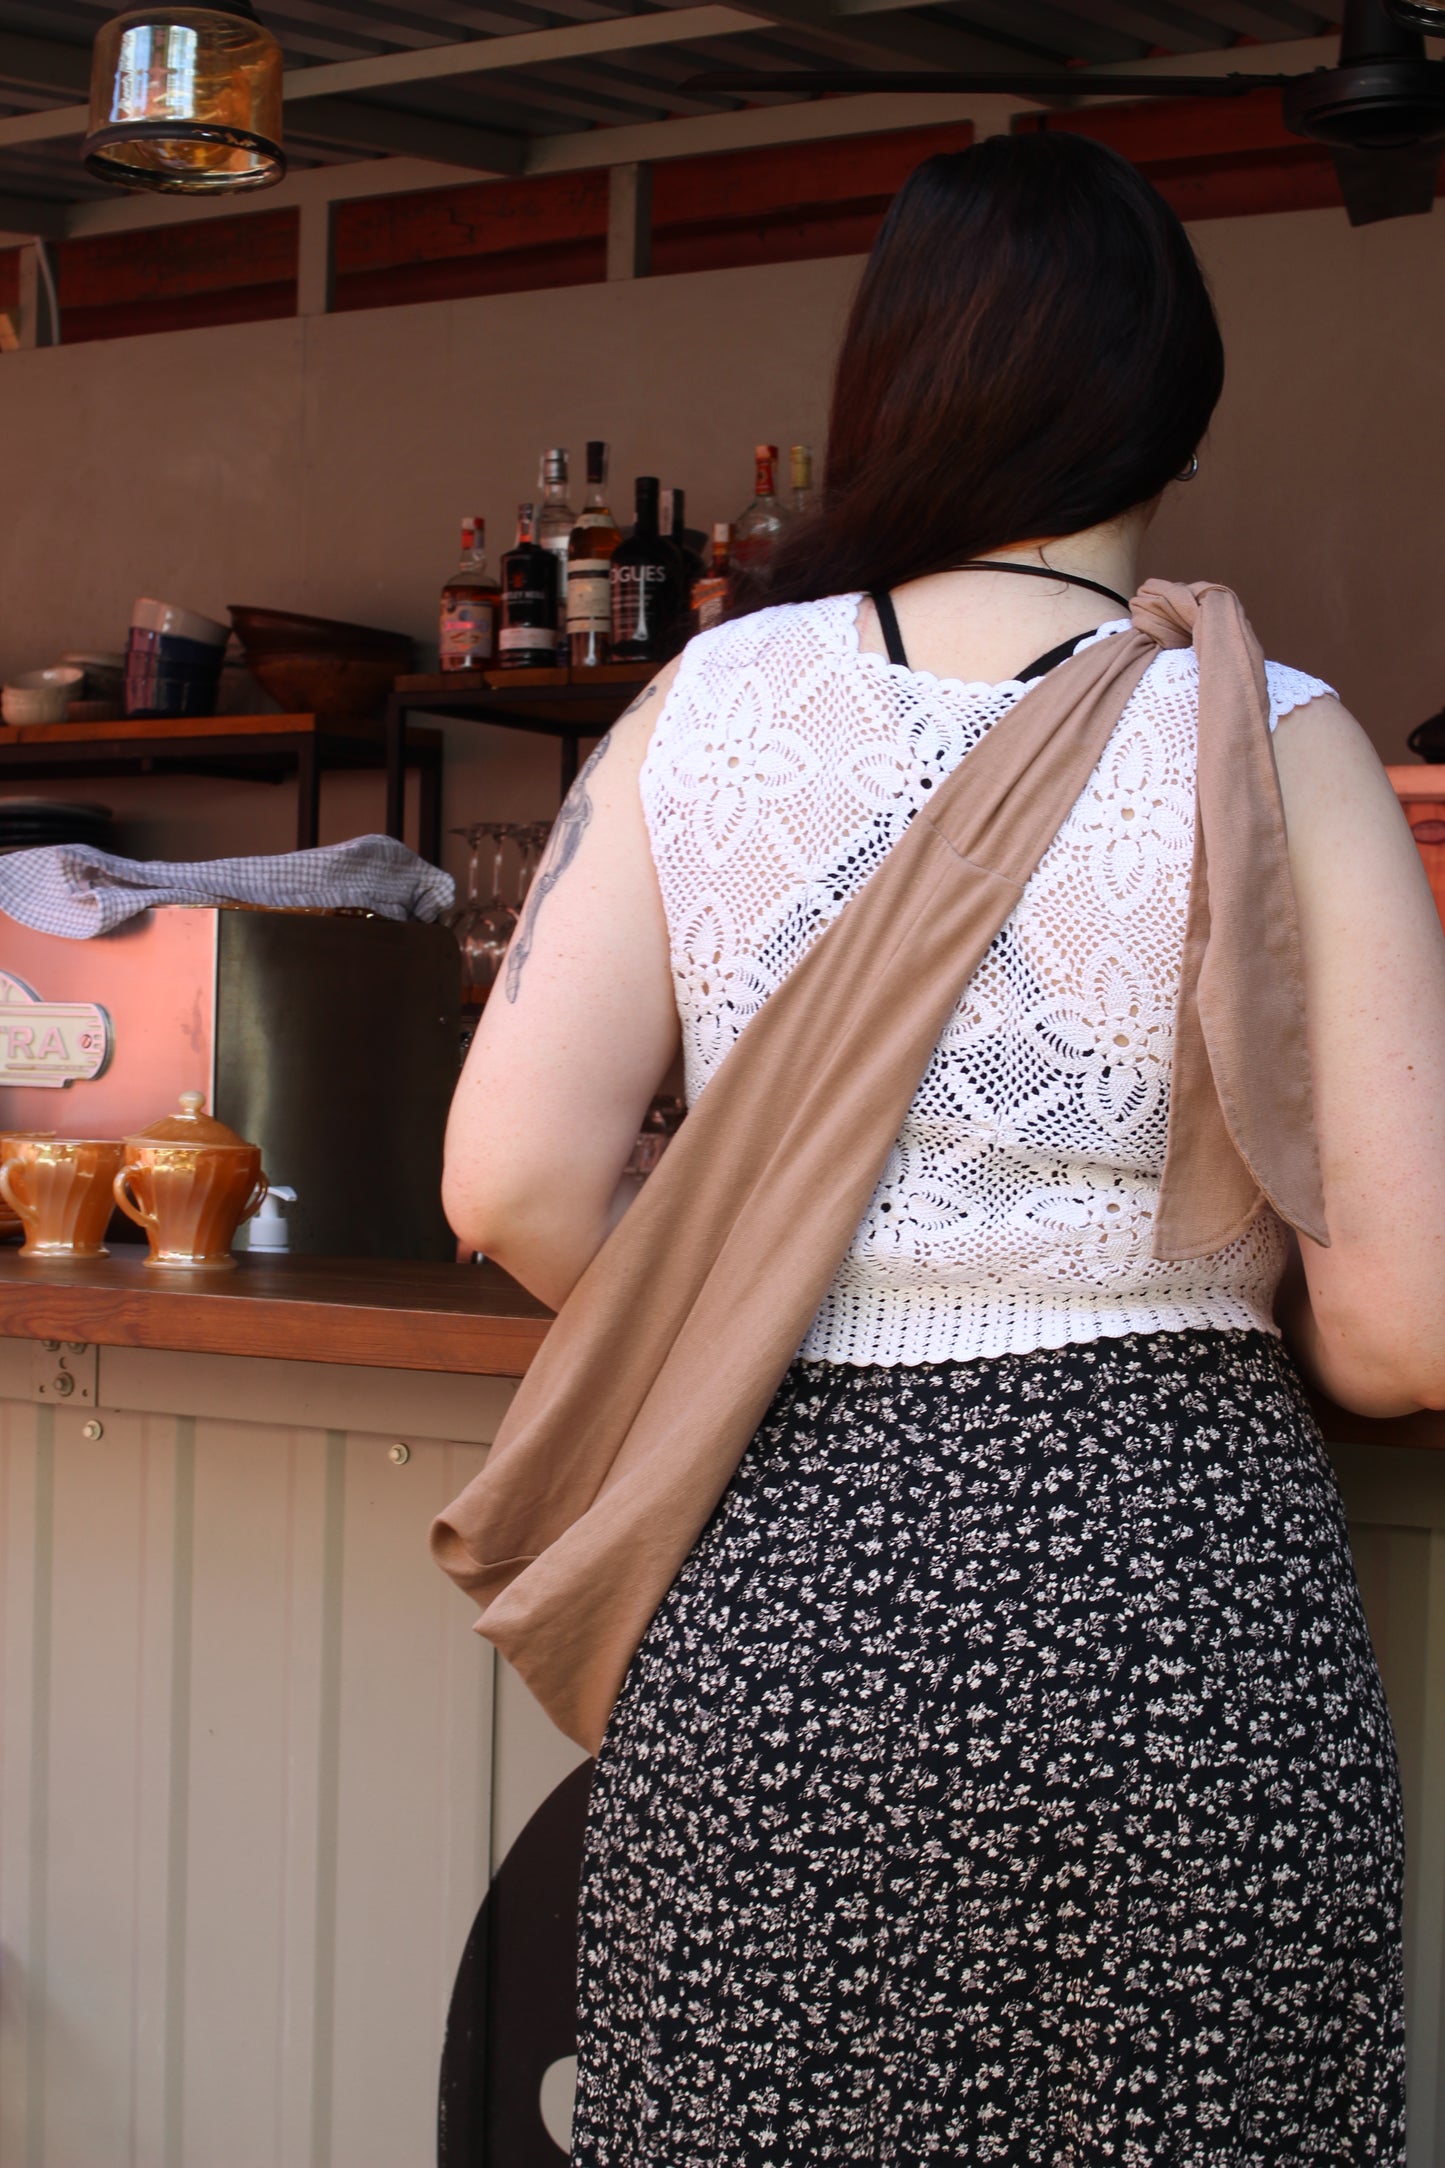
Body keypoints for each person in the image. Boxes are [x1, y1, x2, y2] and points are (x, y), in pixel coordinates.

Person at [442, 133, 1445, 2164]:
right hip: (1183, 1625)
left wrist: (780, 1278)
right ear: (1179, 403)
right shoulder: (1284, 734)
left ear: (881, 393)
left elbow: (513, 1185)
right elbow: (1413, 1330)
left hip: (792, 1614)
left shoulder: (702, 714)